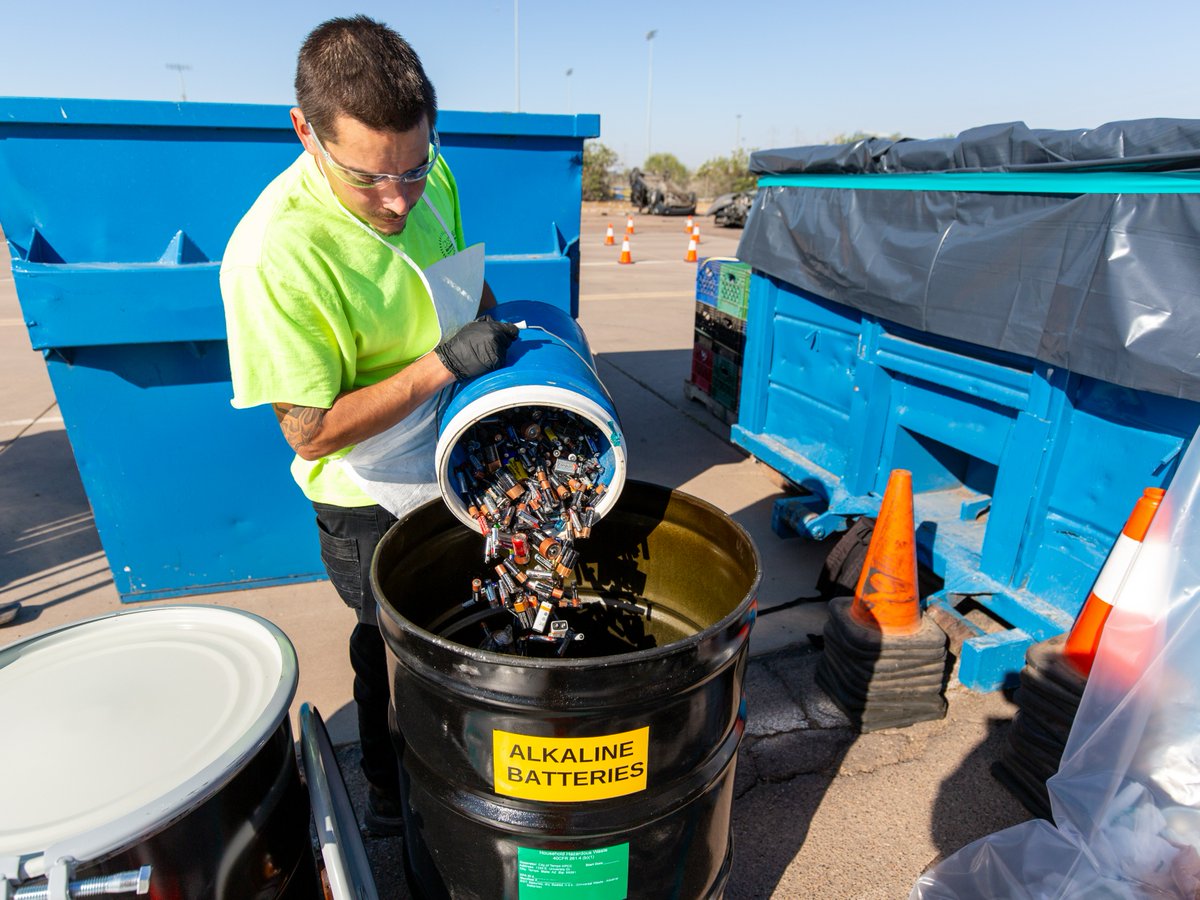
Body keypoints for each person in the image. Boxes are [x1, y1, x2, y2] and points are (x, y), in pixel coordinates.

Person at [219, 15, 518, 836]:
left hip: (452, 453)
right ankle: (395, 797)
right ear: (305, 133)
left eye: (413, 168)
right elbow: (309, 430)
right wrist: (442, 367)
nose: (398, 198)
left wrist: (502, 343)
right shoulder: (275, 253)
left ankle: (479, 772)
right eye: (369, 180)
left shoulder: (430, 172)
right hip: (365, 496)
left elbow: (459, 272)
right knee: (389, 650)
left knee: (480, 620)